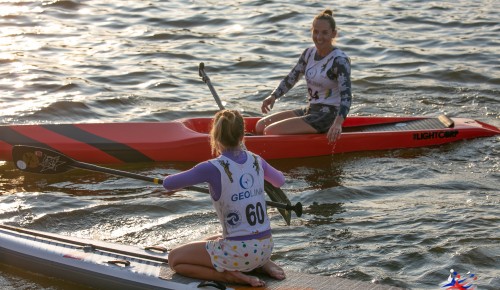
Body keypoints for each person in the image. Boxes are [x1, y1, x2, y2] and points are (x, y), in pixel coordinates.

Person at [163, 109, 286, 287]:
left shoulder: (210, 167)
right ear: (243, 135)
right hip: (266, 248)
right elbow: (280, 181)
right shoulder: (257, 160)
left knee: (174, 259)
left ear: (215, 135)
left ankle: (230, 276)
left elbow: (169, 184)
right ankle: (263, 264)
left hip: (240, 254)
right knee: (213, 238)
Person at [255, 9, 352, 144]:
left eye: (324, 33)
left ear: (333, 34)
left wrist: (337, 124)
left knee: (270, 131)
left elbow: (347, 97)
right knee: (260, 126)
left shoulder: (339, 61)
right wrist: (273, 96)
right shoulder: (309, 53)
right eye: (316, 31)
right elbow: (292, 78)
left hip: (329, 116)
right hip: (311, 110)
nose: (319, 37)